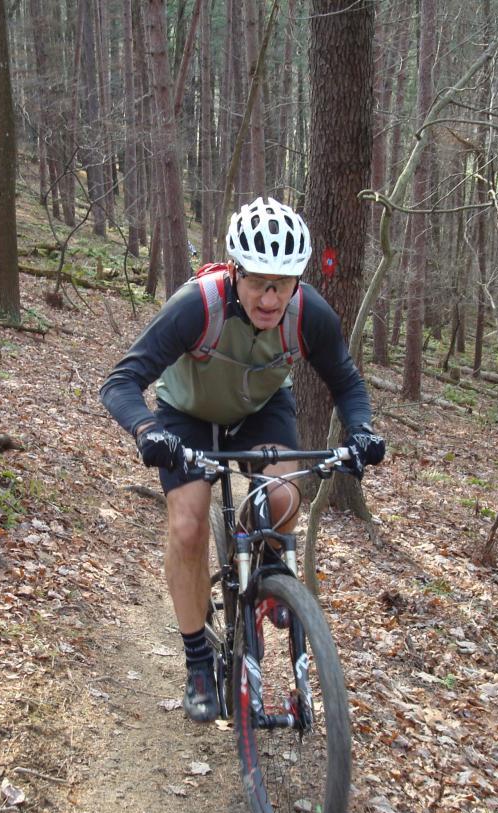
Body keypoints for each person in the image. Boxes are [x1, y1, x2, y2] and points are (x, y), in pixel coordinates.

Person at [100, 197, 385, 722]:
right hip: (187, 414)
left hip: (259, 410)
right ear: (234, 272)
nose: (271, 296)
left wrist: (363, 431)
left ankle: (271, 573)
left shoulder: (309, 313)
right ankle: (197, 660)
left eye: (284, 282)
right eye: (257, 281)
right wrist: (146, 431)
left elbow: (346, 381)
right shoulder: (196, 305)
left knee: (280, 495)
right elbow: (120, 382)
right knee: (187, 526)